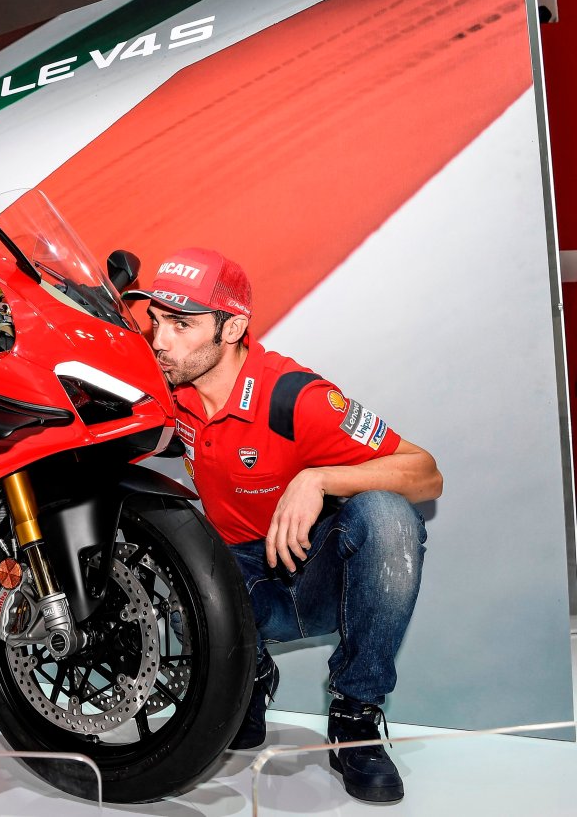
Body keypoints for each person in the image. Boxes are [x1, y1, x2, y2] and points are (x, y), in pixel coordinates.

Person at [124, 248, 442, 804]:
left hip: (316, 576)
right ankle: (246, 678)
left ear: (232, 328)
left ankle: (355, 718)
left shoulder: (295, 397)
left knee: (389, 516)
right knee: (163, 550)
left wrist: (319, 479)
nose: (160, 340)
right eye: (156, 321)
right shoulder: (167, 389)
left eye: (180, 324)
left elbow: (427, 473)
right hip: (239, 583)